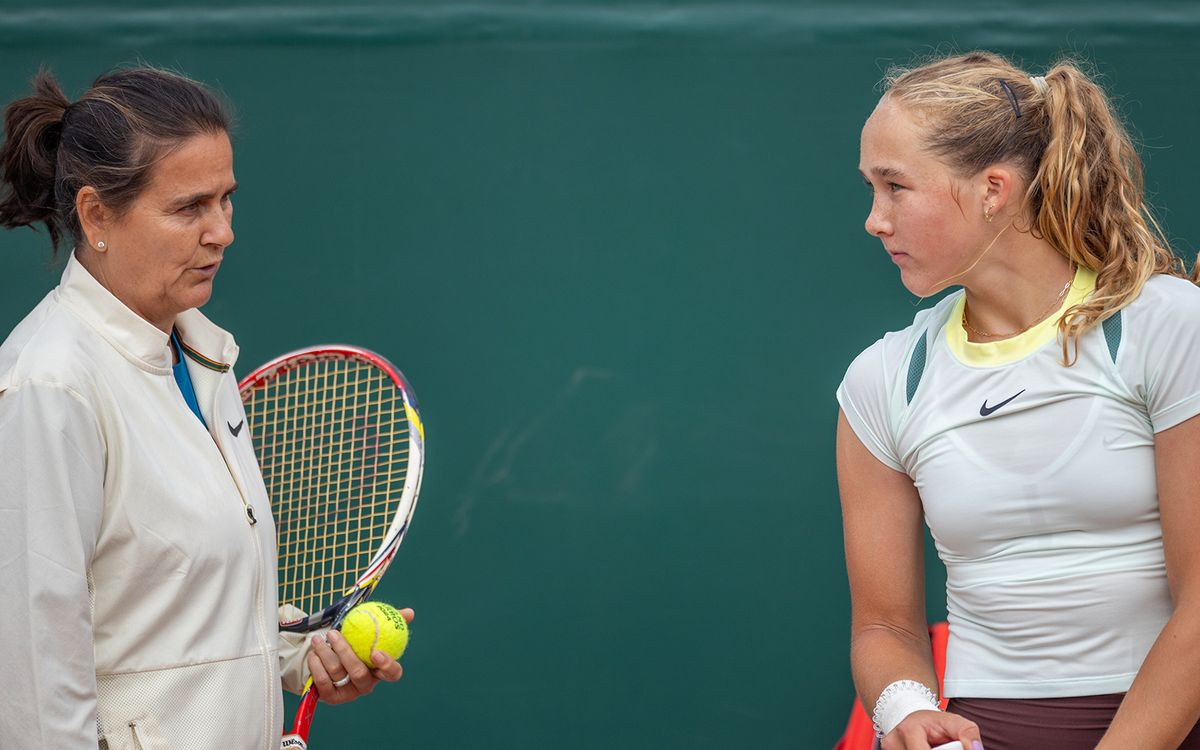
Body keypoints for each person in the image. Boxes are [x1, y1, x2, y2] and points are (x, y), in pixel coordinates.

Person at [0, 67, 411, 749]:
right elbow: (31, 686)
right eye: (189, 207)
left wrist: (296, 652)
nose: (221, 232)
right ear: (97, 214)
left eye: (226, 200)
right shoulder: (49, 389)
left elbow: (164, 607)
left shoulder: (200, 358)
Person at [839, 51, 1200, 750]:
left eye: (895, 187)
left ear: (993, 189)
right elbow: (884, 627)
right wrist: (907, 709)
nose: (874, 220)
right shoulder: (880, 381)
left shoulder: (1170, 324)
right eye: (870, 189)